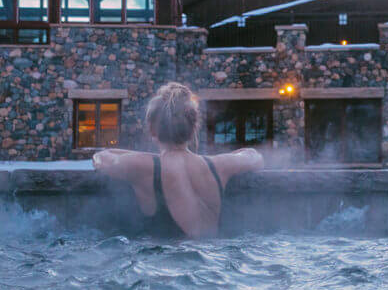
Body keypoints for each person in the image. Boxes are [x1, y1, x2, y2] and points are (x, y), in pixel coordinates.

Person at [92, 82, 263, 238]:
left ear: (152, 129)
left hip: (169, 264)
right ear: (194, 127)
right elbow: (254, 157)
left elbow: (102, 158)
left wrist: (145, 157)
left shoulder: (143, 166)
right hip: (213, 260)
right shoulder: (218, 165)